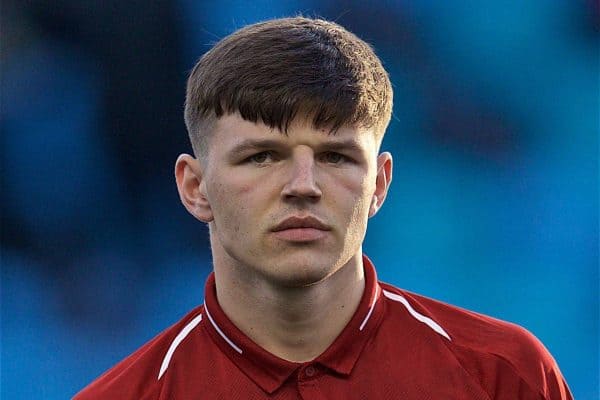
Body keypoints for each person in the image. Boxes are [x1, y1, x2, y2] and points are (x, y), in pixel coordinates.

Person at [73, 17, 572, 399]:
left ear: (378, 184)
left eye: (335, 156)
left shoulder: (505, 375)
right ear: (195, 187)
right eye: (262, 156)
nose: (303, 186)